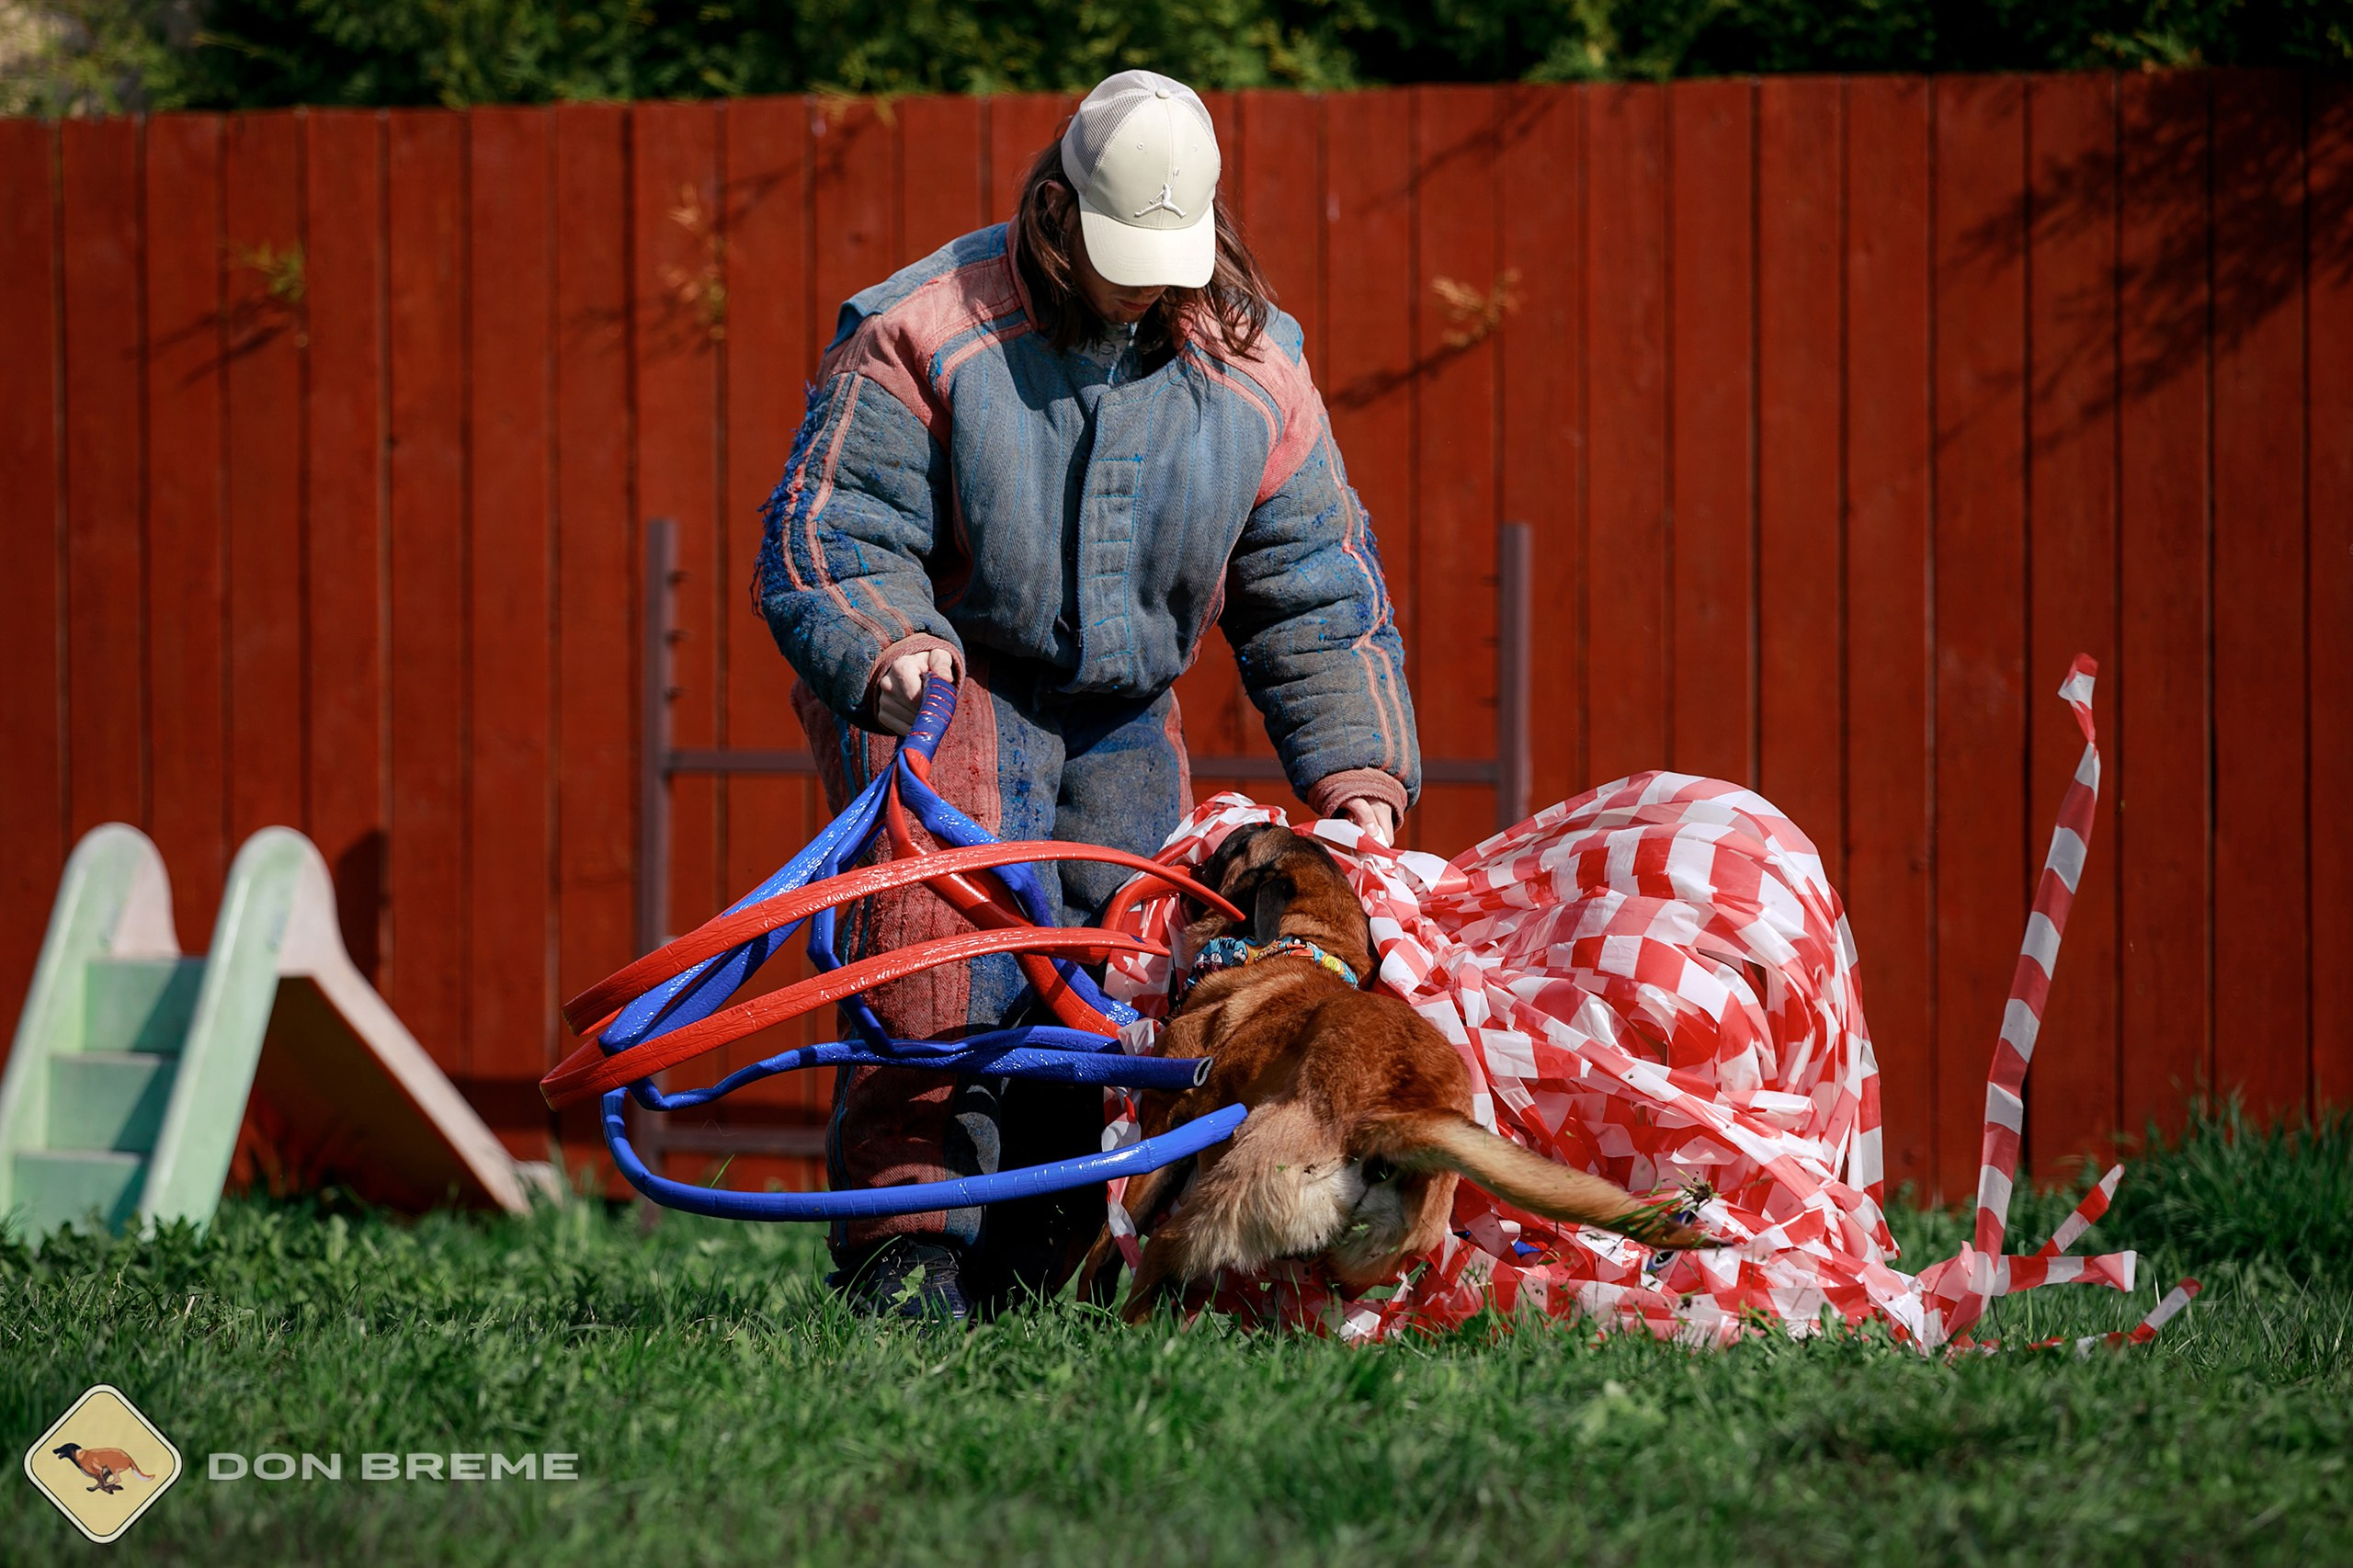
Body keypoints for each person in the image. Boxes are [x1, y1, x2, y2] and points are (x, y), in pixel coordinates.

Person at [754, 68, 1421, 1320]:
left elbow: (1315, 584)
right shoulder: (920, 331)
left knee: (1119, 971)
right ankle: (908, 1253)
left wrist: (1359, 772)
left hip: (1123, 715)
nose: (1149, 289)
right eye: (1124, 260)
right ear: (1055, 211)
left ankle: (1045, 1253)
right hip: (945, 688)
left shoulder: (1258, 370)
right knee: (940, 965)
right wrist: (887, 645)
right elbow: (832, 529)